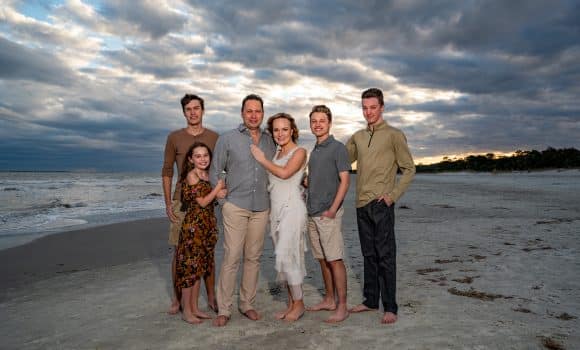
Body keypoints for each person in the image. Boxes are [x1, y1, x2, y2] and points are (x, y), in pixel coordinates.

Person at [345, 88, 415, 324]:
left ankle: (390, 307)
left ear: (382, 107)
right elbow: (341, 161)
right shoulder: (358, 136)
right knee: (368, 255)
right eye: (365, 108)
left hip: (381, 204)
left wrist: (392, 196)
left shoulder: (394, 135)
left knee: (385, 256)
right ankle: (370, 300)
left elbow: (409, 168)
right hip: (361, 204)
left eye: (373, 107)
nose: (368, 112)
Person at [210, 94, 276, 327]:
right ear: (242, 113)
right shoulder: (227, 139)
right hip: (235, 206)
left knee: (253, 258)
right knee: (231, 257)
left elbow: (277, 168)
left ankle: (246, 303)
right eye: (249, 111)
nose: (253, 115)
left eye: (258, 111)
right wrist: (222, 201)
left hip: (261, 207)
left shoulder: (270, 141)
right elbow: (216, 170)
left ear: (262, 113)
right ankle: (225, 308)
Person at [161, 94, 219, 315]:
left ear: (203, 110)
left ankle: (211, 296)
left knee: (206, 252)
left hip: (206, 201)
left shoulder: (214, 137)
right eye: (188, 109)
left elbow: (222, 167)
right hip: (181, 201)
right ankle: (178, 300)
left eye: (197, 108)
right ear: (184, 112)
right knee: (180, 252)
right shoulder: (174, 137)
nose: (193, 112)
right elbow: (166, 171)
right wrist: (168, 203)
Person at [250, 113, 308, 322]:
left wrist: (262, 159)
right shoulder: (275, 153)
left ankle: (300, 304)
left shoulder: (300, 152)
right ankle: (292, 303)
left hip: (292, 209)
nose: (280, 133)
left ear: (292, 130)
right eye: (276, 130)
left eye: (285, 129)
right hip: (276, 211)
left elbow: (284, 174)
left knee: (289, 257)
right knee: (283, 259)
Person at [304, 105, 351, 323]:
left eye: (322, 120)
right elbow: (317, 180)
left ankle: (342, 306)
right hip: (312, 212)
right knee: (322, 259)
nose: (317, 124)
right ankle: (329, 299)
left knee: (335, 260)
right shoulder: (315, 150)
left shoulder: (338, 148)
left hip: (327, 214)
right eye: (314, 121)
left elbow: (345, 181)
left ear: (329, 122)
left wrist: (332, 210)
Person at [175, 142, 226, 324]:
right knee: (190, 269)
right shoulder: (192, 175)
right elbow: (203, 202)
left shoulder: (207, 175)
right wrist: (217, 189)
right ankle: (187, 310)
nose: (203, 159)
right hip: (194, 228)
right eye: (198, 156)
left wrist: (220, 192)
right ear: (191, 159)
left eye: (205, 155)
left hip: (207, 227)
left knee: (199, 268)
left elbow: (212, 198)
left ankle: (195, 307)